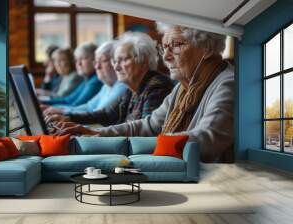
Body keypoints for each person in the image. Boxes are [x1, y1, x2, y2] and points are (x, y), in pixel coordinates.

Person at [55, 24, 234, 163]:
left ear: (207, 48)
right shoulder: (184, 88)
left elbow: (205, 140)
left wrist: (126, 145)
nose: (166, 56)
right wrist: (97, 135)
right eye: (165, 47)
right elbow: (148, 125)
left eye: (176, 45)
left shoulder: (227, 83)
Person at [46, 32, 173, 127]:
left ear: (144, 62)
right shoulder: (132, 89)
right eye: (115, 61)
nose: (116, 67)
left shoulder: (157, 86)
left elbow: (144, 132)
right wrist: (67, 117)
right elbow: (105, 114)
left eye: (123, 60)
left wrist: (93, 133)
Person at [43, 41, 127, 115]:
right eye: (96, 61)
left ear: (114, 63)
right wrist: (60, 110)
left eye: (104, 60)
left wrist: (62, 111)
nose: (97, 66)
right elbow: (89, 106)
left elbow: (98, 114)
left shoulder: (102, 82)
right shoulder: (105, 85)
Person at [41, 42, 103, 107]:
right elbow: (68, 99)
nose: (79, 63)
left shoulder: (96, 81)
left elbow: (76, 105)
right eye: (76, 60)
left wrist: (49, 106)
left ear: (95, 60)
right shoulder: (87, 79)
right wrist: (43, 102)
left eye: (83, 58)